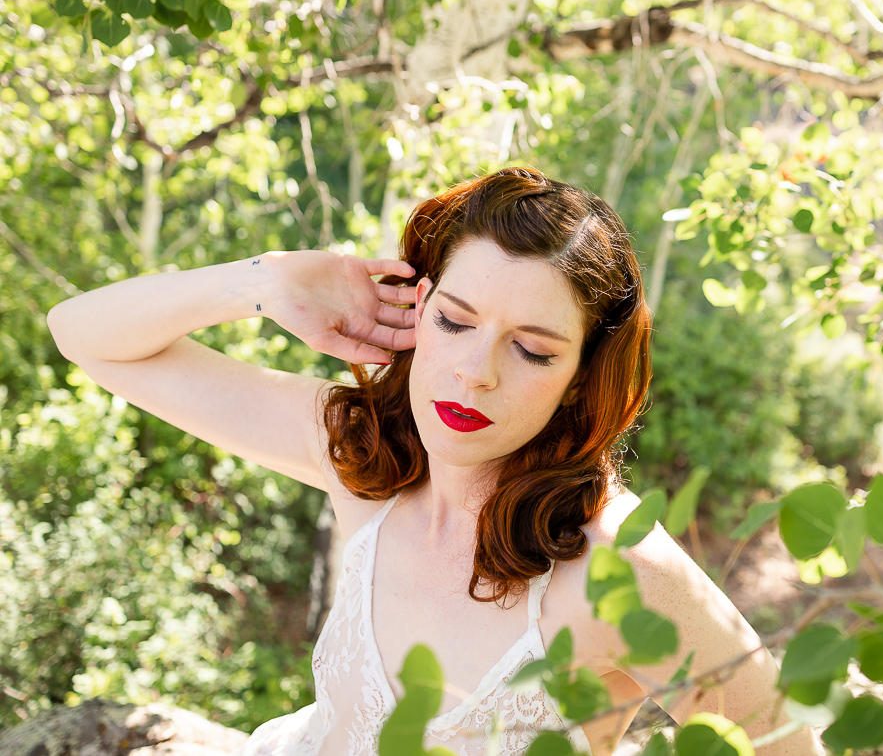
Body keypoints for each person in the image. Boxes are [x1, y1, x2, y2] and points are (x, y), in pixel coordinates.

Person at [47, 167, 824, 756]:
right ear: (417, 308)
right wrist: (271, 280)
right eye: (453, 321)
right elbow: (84, 333)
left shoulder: (621, 567)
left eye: (531, 348)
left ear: (581, 375)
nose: (475, 371)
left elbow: (783, 742)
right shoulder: (360, 451)